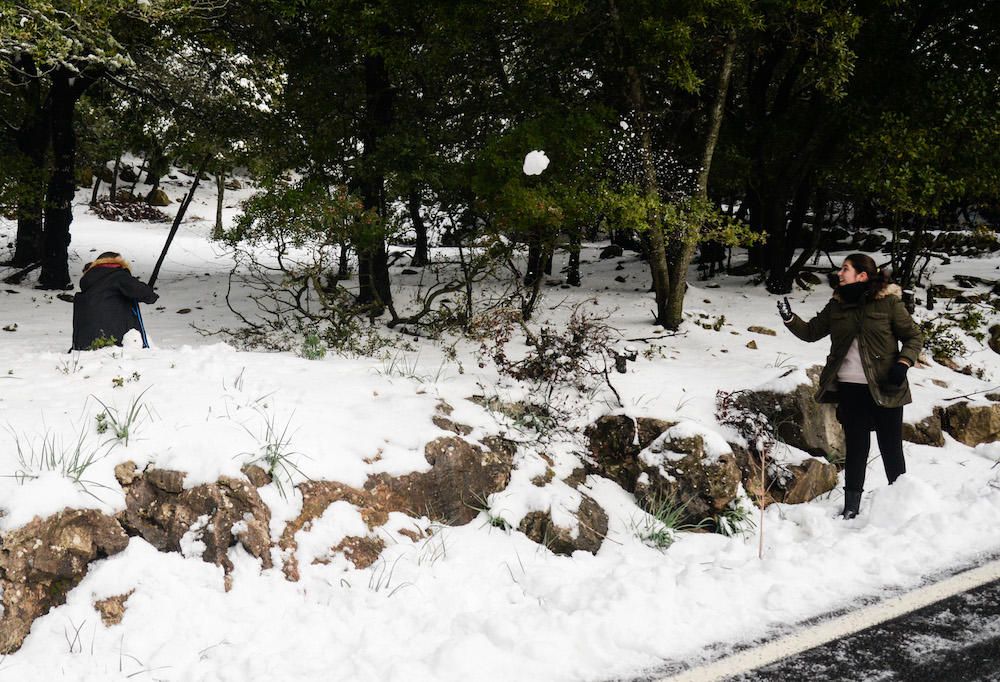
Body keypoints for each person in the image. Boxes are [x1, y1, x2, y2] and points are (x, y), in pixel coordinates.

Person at [777, 253, 922, 519]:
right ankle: (851, 508)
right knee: (856, 449)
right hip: (851, 390)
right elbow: (811, 332)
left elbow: (913, 336)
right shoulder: (837, 305)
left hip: (886, 388)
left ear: (862, 275)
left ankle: (901, 506)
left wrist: (903, 363)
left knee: (891, 448)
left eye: (845, 269)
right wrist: (789, 319)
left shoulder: (888, 303)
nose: (840, 273)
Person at [72, 252, 159, 350]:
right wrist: (151, 293)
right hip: (114, 341)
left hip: (83, 343)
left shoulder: (88, 281)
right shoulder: (118, 276)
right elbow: (145, 294)